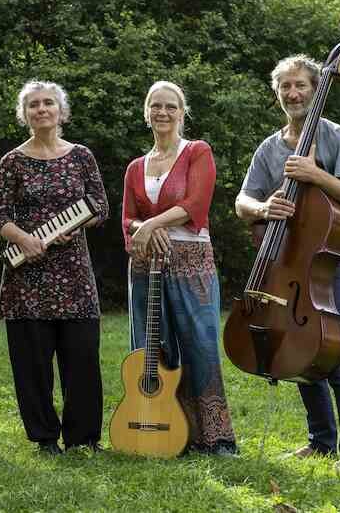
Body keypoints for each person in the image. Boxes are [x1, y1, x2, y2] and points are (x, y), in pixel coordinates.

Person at [235, 54, 340, 469]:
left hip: (328, 264)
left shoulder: (335, 137)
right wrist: (263, 208)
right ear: (277, 94)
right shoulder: (268, 147)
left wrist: (316, 174)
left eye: (301, 86)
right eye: (285, 88)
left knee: (338, 352)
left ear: (315, 89)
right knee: (298, 348)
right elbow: (242, 201)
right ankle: (321, 440)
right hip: (283, 266)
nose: (293, 94)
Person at [0, 80, 109, 455]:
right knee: (32, 364)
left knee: (82, 358)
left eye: (48, 104)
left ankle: (83, 437)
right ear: (24, 114)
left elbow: (100, 207)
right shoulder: (12, 161)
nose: (42, 110)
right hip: (28, 274)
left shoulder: (81, 156)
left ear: (61, 111)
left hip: (74, 272)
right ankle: (44, 438)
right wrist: (26, 239)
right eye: (34, 105)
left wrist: (71, 225)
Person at [122, 80, 238, 455]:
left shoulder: (197, 152)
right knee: (152, 349)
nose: (163, 113)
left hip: (191, 264)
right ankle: (168, 432)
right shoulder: (135, 167)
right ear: (146, 113)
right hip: (144, 266)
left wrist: (151, 224)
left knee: (199, 346)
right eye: (155, 106)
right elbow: (127, 220)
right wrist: (143, 228)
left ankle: (215, 438)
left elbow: (195, 205)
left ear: (182, 112)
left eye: (171, 106)